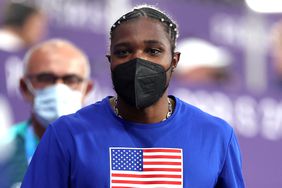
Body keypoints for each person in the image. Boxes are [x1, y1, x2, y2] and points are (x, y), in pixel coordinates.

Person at [21, 5, 245, 187]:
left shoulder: (216, 136)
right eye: (123, 52)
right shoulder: (67, 135)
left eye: (153, 51)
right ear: (110, 62)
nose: (138, 61)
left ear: (174, 61)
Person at [0, 39, 93, 188]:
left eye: (71, 80)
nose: (58, 88)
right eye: (45, 79)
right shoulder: (3, 151)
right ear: (24, 87)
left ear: (86, 90)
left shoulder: (104, 149)